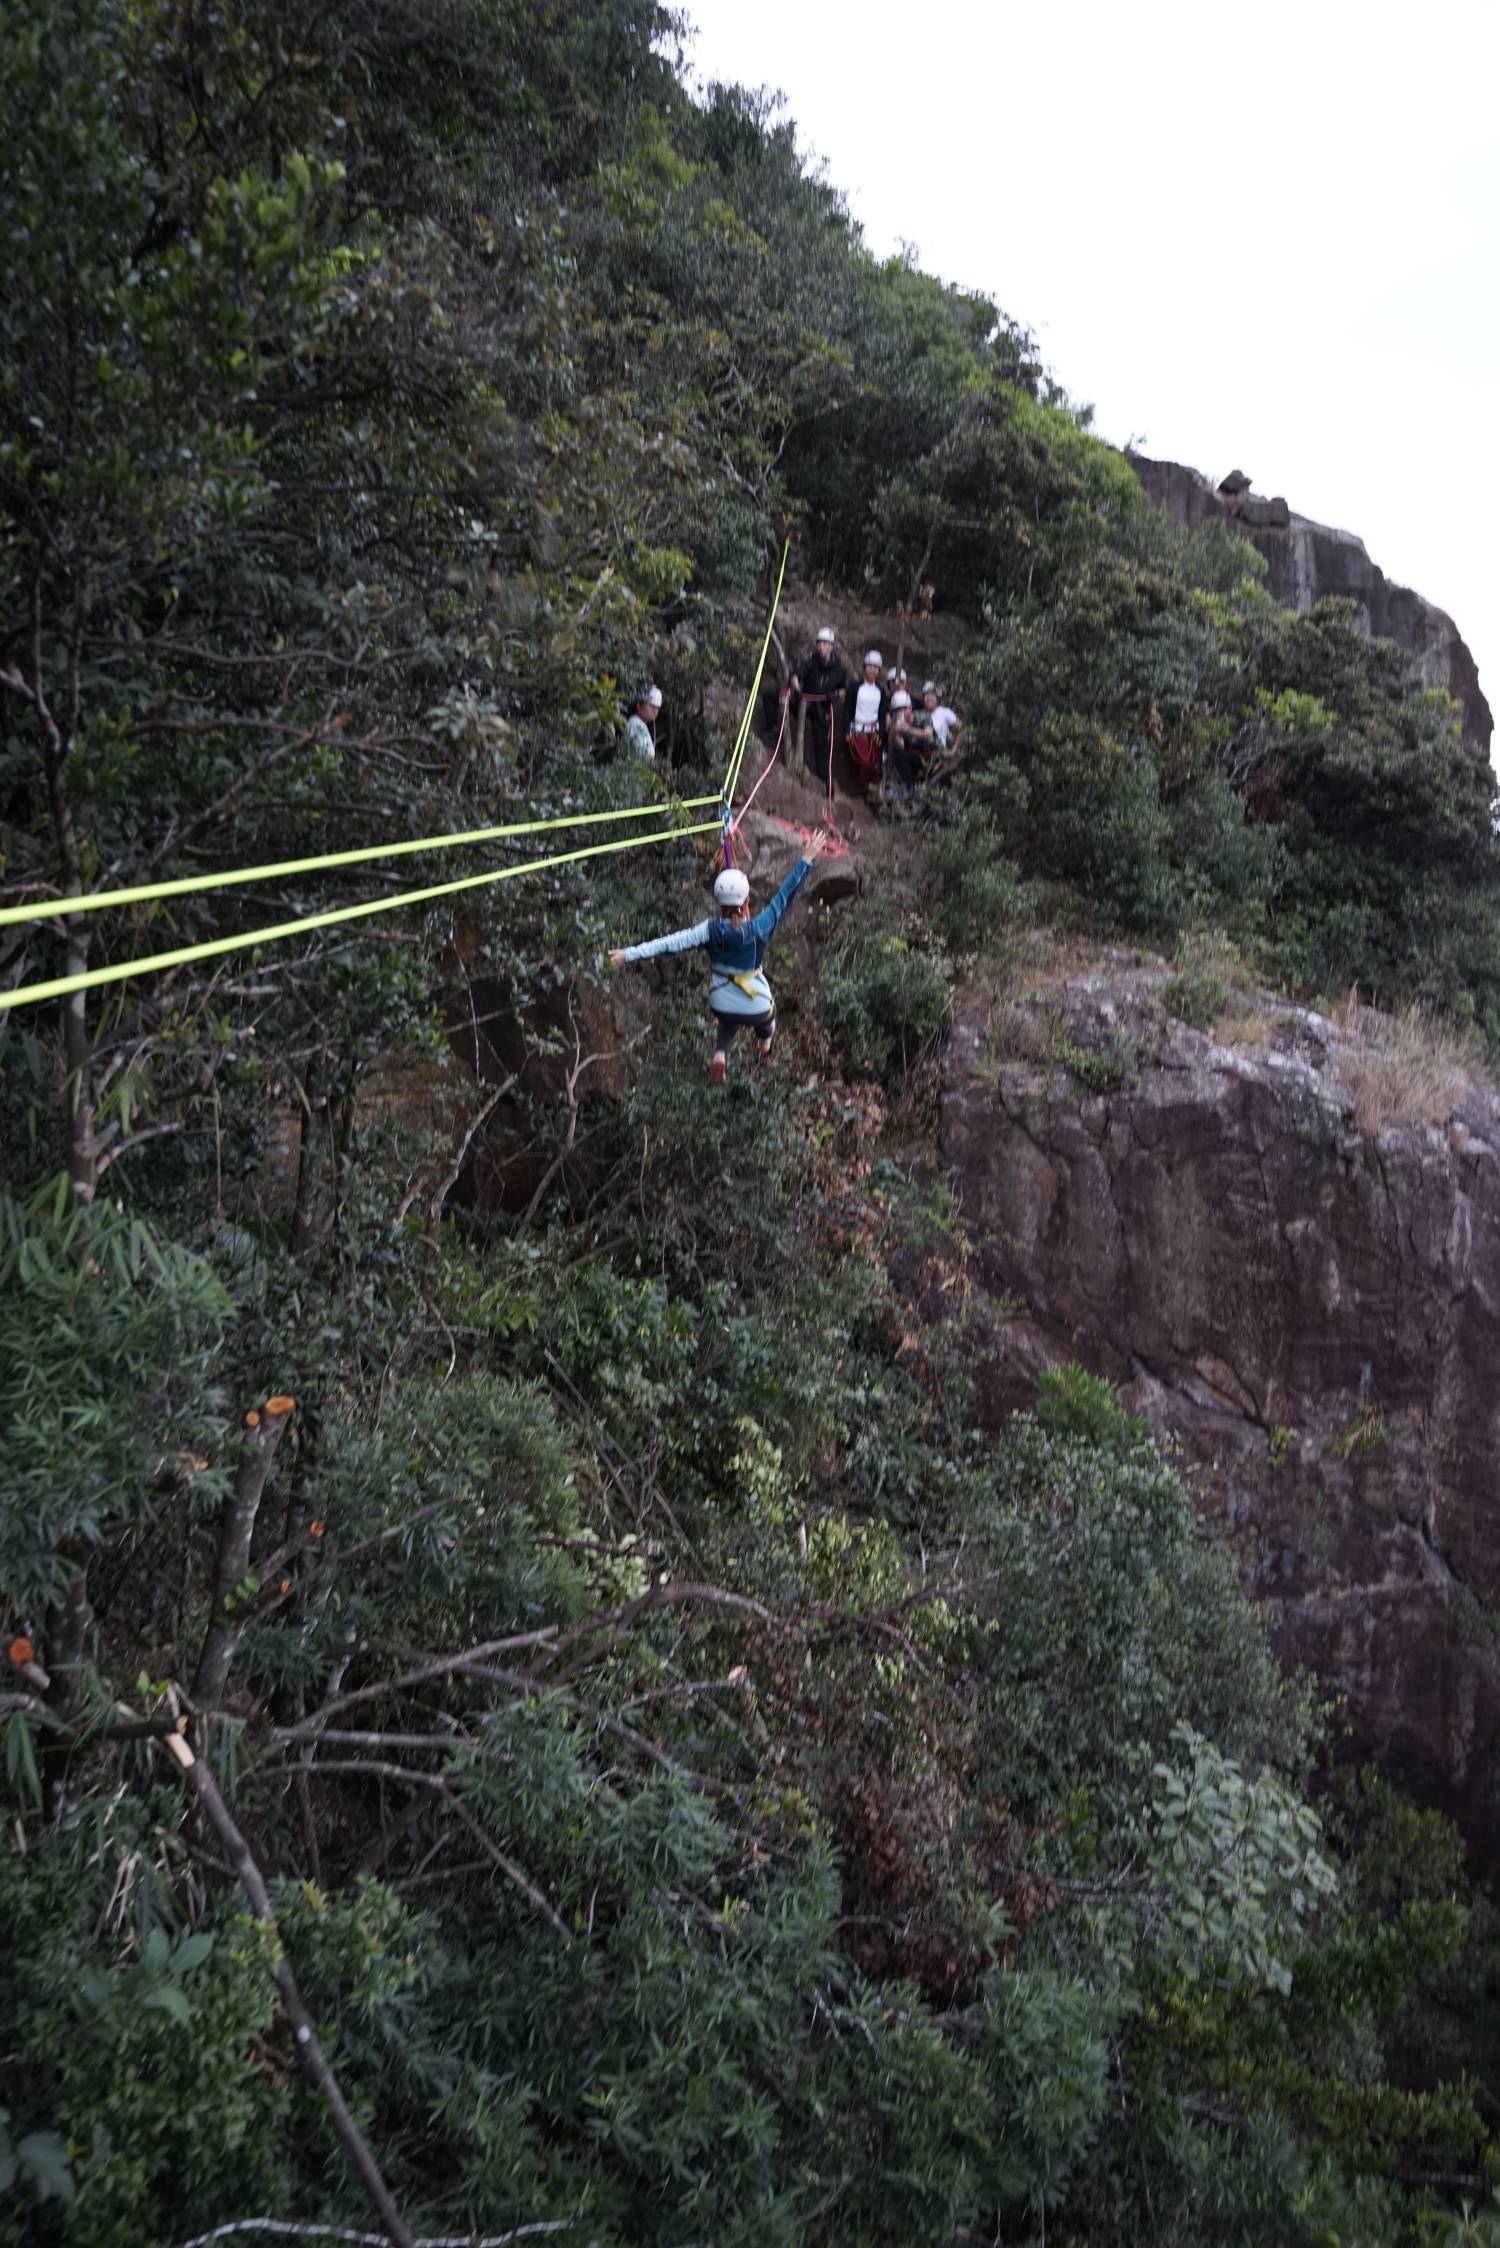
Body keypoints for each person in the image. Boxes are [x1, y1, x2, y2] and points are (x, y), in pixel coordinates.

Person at [609, 834, 830, 1085]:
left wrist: (627, 954)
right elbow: (785, 895)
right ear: (746, 901)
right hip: (754, 1004)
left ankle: (720, 1053)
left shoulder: (708, 930)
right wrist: (807, 858)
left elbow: (668, 944)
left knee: (730, 1014)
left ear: (718, 901)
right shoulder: (760, 926)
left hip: (720, 1000)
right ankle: (765, 1042)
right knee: (767, 1017)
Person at [794, 627, 847, 784]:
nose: (821, 646)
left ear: (831, 646)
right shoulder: (810, 661)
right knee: (771, 697)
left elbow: (843, 688)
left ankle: (823, 778)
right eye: (819, 643)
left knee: (822, 744)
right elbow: (796, 677)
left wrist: (836, 695)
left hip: (823, 706)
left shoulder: (839, 668)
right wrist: (797, 690)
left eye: (825, 643)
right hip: (806, 702)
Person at [845, 650, 889, 800]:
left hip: (874, 733)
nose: (873, 670)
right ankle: (865, 791)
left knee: (875, 764)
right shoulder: (855, 687)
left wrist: (881, 735)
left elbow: (882, 716)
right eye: (870, 666)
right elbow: (847, 710)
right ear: (864, 668)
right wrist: (847, 731)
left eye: (876, 668)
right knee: (865, 763)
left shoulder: (881, 692)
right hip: (857, 731)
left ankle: (871, 796)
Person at [621, 685, 662, 765]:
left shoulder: (639, 724)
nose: (655, 711)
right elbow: (644, 755)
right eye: (651, 706)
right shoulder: (635, 724)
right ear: (639, 705)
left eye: (657, 707)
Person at [922, 682, 963, 757]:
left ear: (937, 697)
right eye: (926, 695)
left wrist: (953, 750)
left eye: (932, 695)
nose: (928, 698)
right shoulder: (919, 714)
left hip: (937, 755)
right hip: (919, 753)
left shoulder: (945, 712)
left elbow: (962, 729)